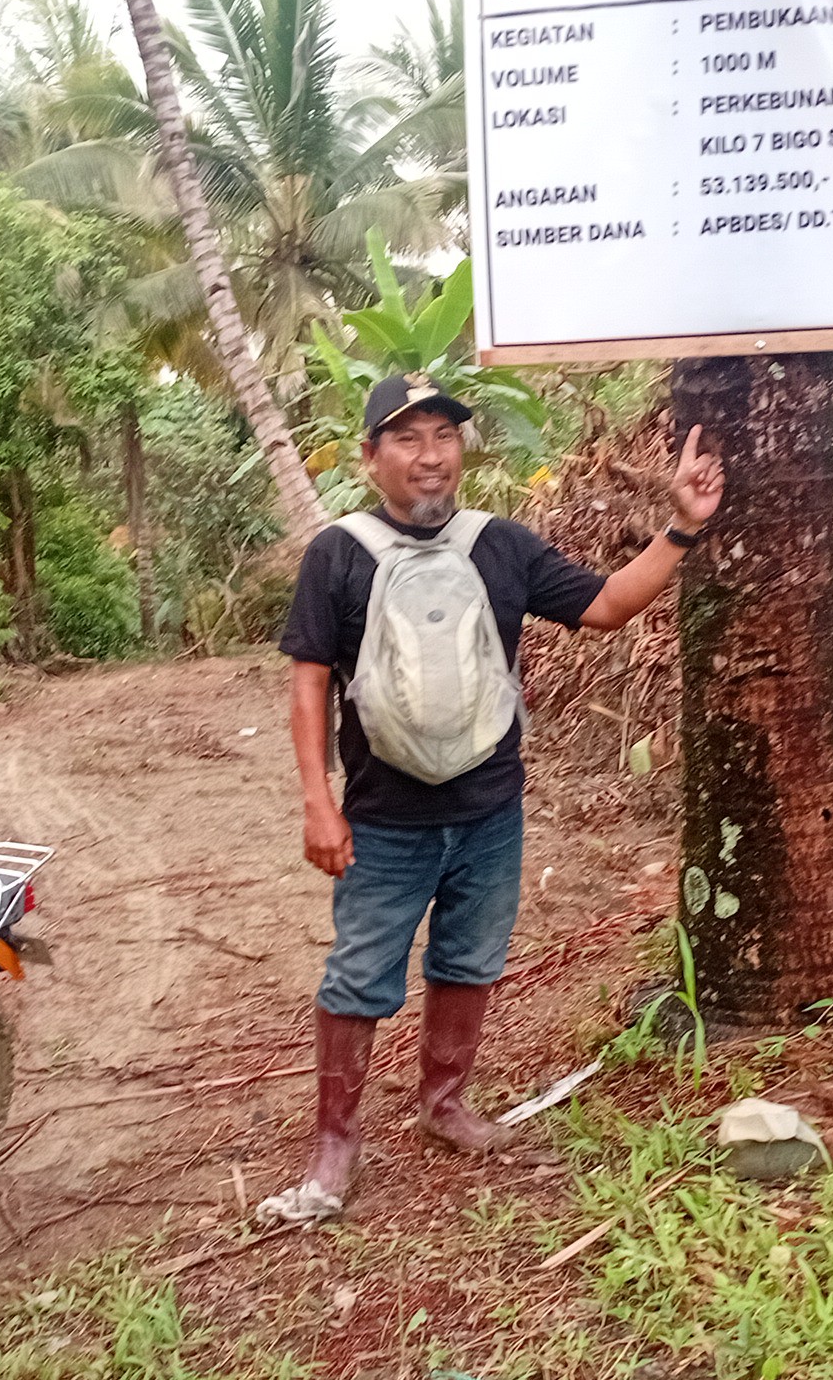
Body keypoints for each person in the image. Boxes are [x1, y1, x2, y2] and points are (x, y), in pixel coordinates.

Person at [259, 372, 726, 1224]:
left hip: (489, 812)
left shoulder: (500, 544)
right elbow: (309, 687)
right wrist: (316, 803)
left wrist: (682, 529)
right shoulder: (337, 554)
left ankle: (445, 1104)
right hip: (382, 822)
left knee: (469, 962)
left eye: (443, 437)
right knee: (359, 975)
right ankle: (335, 1143)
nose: (429, 456)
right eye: (406, 438)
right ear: (371, 459)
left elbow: (609, 605)